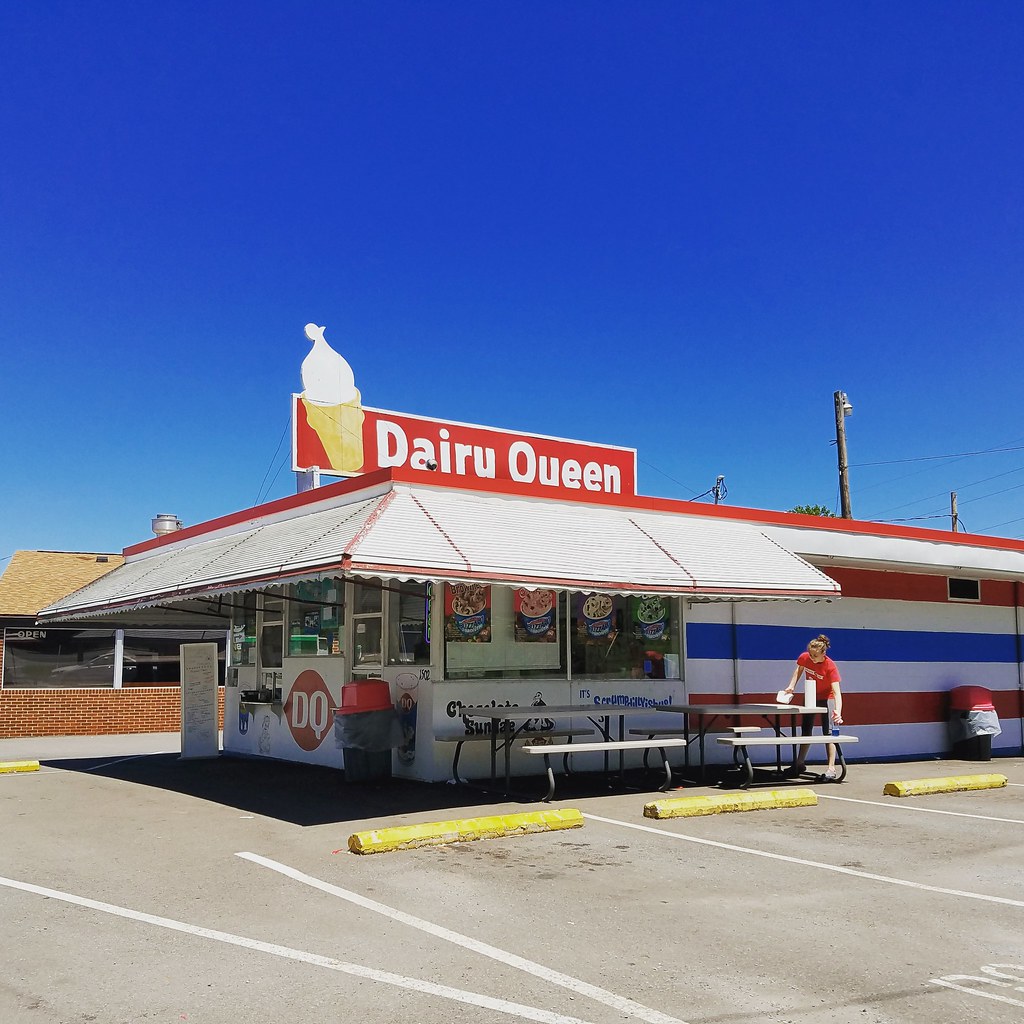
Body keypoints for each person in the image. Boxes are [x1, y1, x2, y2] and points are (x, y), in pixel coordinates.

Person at [782, 633, 843, 780]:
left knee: (828, 732)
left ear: (823, 653)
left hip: (827, 698)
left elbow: (837, 692)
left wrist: (838, 712)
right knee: (806, 729)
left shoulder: (830, 666)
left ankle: (831, 768)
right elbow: (798, 670)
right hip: (811, 696)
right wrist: (791, 686)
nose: (811, 657)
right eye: (810, 654)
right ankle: (800, 763)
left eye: (815, 655)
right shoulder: (805, 657)